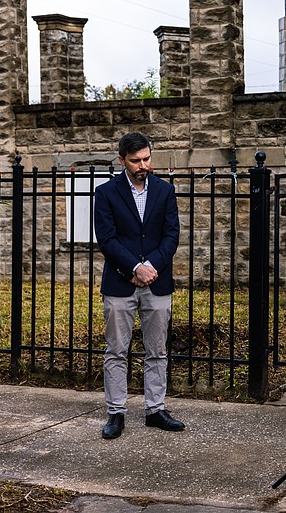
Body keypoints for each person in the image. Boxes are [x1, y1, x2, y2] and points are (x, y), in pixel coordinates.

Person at [94, 132, 184, 439]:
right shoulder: (105, 193)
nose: (143, 165)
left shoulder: (165, 191)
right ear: (122, 161)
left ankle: (155, 410)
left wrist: (151, 268)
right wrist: (133, 267)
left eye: (146, 158)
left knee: (157, 350)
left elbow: (172, 235)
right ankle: (116, 413)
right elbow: (106, 239)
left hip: (157, 282)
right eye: (135, 161)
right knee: (116, 351)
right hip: (120, 283)